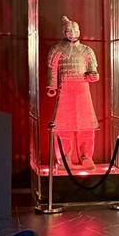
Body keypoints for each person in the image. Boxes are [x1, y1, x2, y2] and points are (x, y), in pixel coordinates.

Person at [47, 15, 99, 170]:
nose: (72, 33)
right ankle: (64, 158)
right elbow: (52, 69)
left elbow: (92, 71)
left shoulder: (87, 50)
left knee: (86, 126)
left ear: (79, 31)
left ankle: (86, 156)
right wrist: (52, 86)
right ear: (64, 32)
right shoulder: (56, 49)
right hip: (65, 89)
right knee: (64, 126)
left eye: (74, 30)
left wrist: (93, 76)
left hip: (82, 90)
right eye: (68, 30)